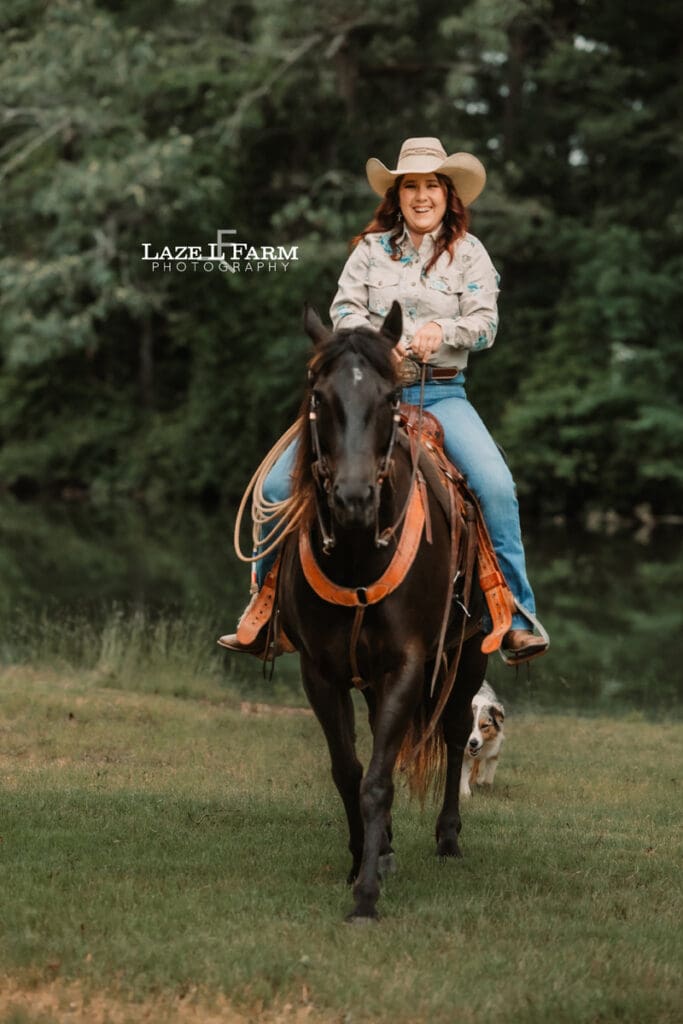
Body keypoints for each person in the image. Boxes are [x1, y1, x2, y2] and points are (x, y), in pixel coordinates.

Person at [219, 136, 548, 662]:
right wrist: (377, 343)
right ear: (397, 196)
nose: (421, 196)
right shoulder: (370, 251)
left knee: (495, 485)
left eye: (431, 186)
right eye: (410, 186)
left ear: (448, 195)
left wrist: (442, 331)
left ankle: (514, 614)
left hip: (441, 393)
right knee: (277, 485)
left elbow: (486, 324)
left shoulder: (471, 253)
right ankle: (265, 608)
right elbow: (344, 311)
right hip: (367, 392)